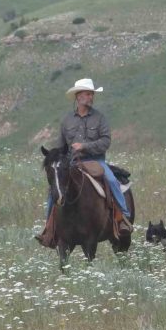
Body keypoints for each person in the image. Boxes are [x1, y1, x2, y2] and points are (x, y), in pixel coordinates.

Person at [44, 77, 131, 222]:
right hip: (72, 162)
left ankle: (124, 216)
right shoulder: (67, 120)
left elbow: (105, 141)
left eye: (92, 94)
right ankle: (49, 227)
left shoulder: (100, 118)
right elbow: (61, 146)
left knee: (111, 180)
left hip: (96, 161)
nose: (91, 97)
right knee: (55, 188)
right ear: (79, 96)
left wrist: (84, 146)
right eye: (88, 94)